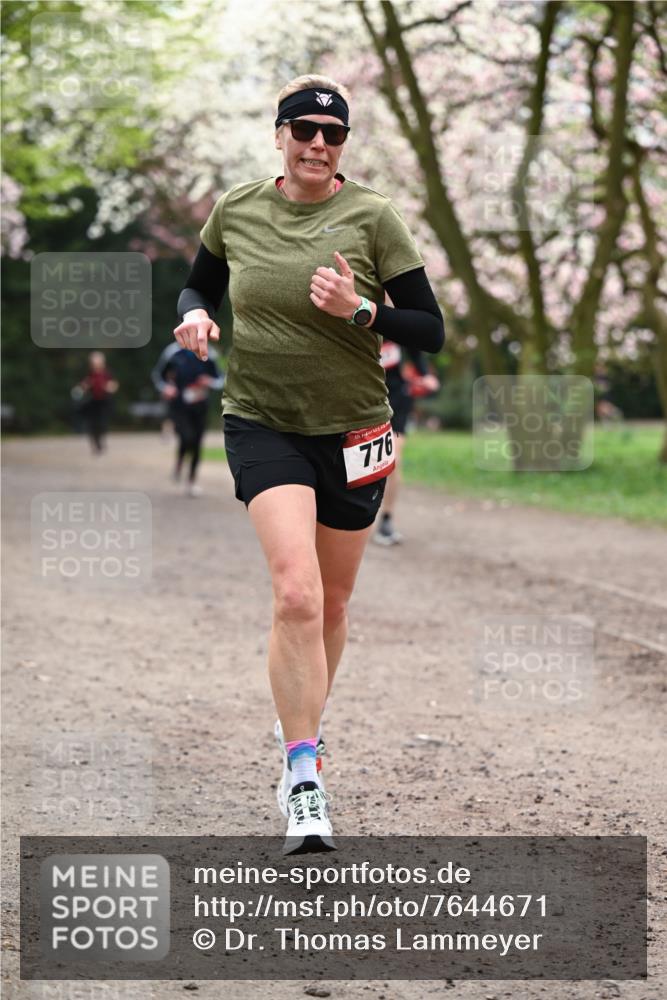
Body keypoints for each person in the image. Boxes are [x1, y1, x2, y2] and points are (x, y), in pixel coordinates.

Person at [173, 74, 444, 854]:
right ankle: (302, 776)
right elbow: (196, 287)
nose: (318, 144)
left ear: (343, 145)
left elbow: (429, 330)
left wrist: (358, 309)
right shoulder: (237, 210)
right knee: (296, 592)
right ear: (280, 136)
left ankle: (303, 725)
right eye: (304, 130)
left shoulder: (373, 217)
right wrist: (195, 316)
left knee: (331, 604)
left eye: (332, 134)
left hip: (355, 430)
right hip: (262, 421)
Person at [375, 331, 440, 546]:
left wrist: (426, 376)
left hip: (396, 402)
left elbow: (416, 352)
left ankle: (386, 519)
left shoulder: (395, 326)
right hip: (361, 401)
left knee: (393, 458)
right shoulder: (352, 322)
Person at [151, 341, 224, 496]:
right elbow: (158, 375)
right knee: (186, 437)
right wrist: (167, 388)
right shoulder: (173, 352)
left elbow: (220, 379)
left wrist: (209, 381)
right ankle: (179, 464)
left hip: (200, 406)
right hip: (179, 406)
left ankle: (191, 481)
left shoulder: (209, 353)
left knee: (197, 443)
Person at [73, 351, 118, 455]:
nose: (95, 366)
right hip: (92, 402)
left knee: (102, 424)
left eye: (97, 363)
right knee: (92, 425)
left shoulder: (107, 373)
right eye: (93, 364)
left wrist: (109, 387)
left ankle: (100, 443)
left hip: (104, 402)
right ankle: (96, 445)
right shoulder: (89, 374)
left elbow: (114, 385)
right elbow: (83, 385)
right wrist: (83, 387)